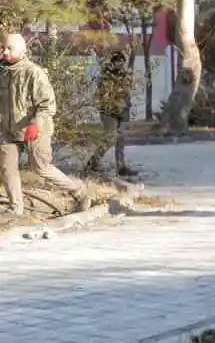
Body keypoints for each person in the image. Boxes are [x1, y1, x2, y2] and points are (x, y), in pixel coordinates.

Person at [1, 32, 89, 216]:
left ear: (22, 50)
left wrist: (35, 124)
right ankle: (16, 209)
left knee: (41, 167)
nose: (5, 52)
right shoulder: (3, 73)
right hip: (10, 129)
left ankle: (79, 193)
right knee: (7, 167)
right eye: (3, 48)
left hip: (36, 127)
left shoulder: (33, 73)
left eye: (10, 48)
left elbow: (47, 105)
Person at [91, 50, 136, 177]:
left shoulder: (126, 74)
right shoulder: (106, 75)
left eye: (122, 61)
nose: (119, 64)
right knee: (110, 139)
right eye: (117, 61)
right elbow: (105, 93)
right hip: (109, 111)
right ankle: (93, 162)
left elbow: (129, 88)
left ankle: (121, 167)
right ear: (113, 62)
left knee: (121, 140)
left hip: (123, 111)